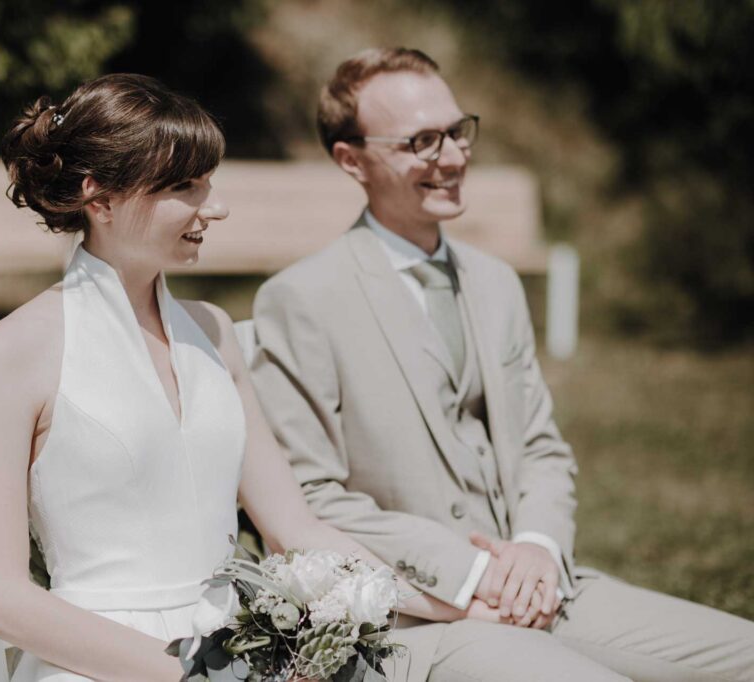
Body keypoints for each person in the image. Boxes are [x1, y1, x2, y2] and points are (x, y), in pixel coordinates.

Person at [0, 73, 501, 682]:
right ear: (101, 198)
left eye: (209, 183)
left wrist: (457, 604)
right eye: (185, 186)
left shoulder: (213, 330)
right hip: (98, 663)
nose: (214, 207)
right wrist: (195, 674)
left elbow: (295, 530)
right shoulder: (13, 349)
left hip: (245, 651)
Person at [249, 47, 754, 682]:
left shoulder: (495, 282)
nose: (454, 157)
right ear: (352, 160)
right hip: (416, 617)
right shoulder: (303, 298)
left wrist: (538, 549)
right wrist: (473, 574)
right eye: (422, 142)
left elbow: (540, 445)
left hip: (542, 587)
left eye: (457, 131)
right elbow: (312, 498)